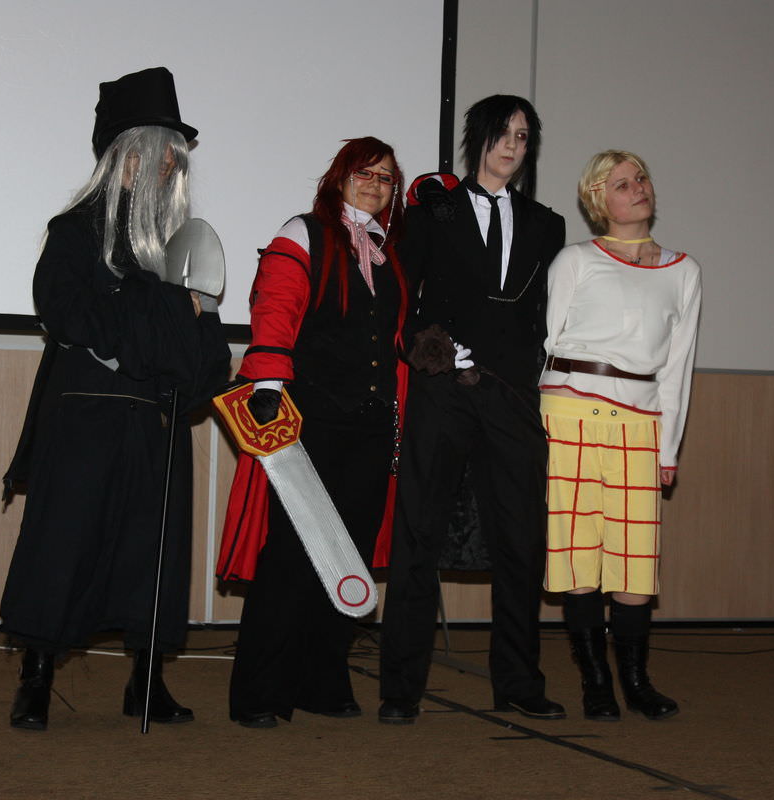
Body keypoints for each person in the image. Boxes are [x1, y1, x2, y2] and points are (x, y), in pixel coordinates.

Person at [0, 67, 230, 731]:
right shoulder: (75, 231)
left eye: (174, 158)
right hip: (85, 417)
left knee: (152, 553)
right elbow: (65, 310)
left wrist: (185, 344)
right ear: (127, 155)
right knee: (62, 545)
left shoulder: (178, 248)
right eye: (159, 153)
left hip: (154, 423)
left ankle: (146, 683)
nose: (168, 167)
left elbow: (203, 342)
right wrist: (155, 317)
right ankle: (36, 678)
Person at [378, 95, 565, 724]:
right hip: (443, 390)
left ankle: (519, 682)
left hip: (512, 396)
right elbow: (400, 298)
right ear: (477, 138)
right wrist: (426, 347)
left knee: (521, 539)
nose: (513, 146)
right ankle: (400, 688)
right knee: (418, 534)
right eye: (502, 133)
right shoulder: (433, 211)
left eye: (523, 136)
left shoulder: (547, 224)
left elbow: (543, 316)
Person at [218, 137, 410, 729]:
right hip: (309, 423)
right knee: (292, 554)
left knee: (349, 555)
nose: (375, 184)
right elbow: (275, 306)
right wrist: (268, 382)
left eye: (386, 177)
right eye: (364, 173)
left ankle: (321, 680)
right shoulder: (303, 231)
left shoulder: (389, 251)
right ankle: (258, 692)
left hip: (372, 425)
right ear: (338, 178)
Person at [540, 150, 700, 721]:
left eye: (641, 179)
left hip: (640, 421)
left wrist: (668, 447)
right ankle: (596, 682)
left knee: (635, 560)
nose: (638, 189)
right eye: (622, 184)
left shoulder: (684, 271)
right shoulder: (575, 260)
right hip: (568, 415)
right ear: (598, 201)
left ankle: (636, 681)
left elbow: (678, 369)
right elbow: (545, 344)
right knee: (578, 555)